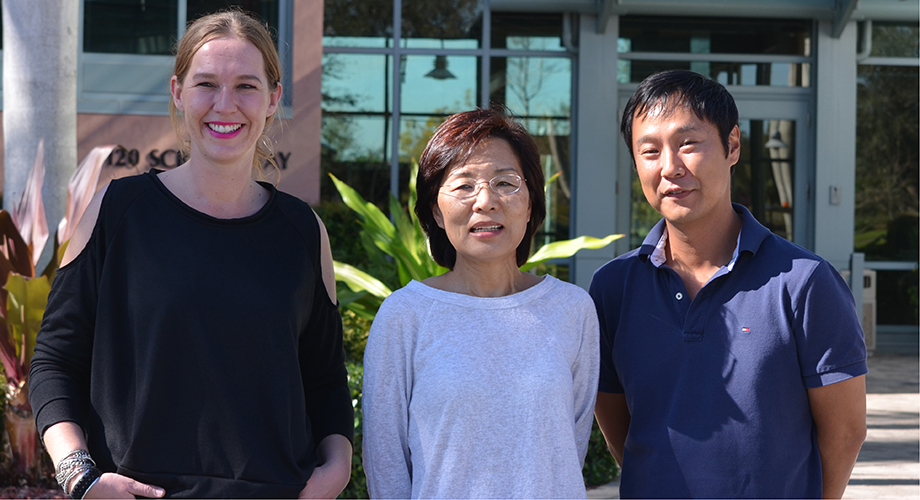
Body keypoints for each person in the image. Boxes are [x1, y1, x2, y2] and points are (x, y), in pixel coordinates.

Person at [29, 10, 353, 499]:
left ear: (273, 100)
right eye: (206, 84)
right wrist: (80, 476)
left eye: (246, 85)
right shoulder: (117, 212)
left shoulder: (303, 231)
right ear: (178, 93)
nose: (225, 105)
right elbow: (54, 361)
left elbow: (326, 382)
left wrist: (334, 475)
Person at [590, 69, 867, 499]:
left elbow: (845, 432)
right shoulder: (613, 288)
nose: (669, 168)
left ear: (732, 145)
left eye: (688, 144)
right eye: (649, 151)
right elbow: (619, 426)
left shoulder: (804, 282)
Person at [361, 107, 599, 499]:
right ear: (436, 210)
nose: (486, 201)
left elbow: (568, 450)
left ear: (530, 204)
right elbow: (385, 465)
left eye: (506, 183)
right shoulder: (406, 316)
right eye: (464, 185)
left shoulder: (572, 309)